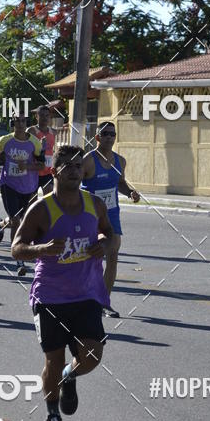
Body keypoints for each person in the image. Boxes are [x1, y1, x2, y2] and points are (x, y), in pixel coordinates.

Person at [12, 144, 114, 421]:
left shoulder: (94, 204)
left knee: (93, 355)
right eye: (67, 165)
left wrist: (104, 244)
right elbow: (16, 248)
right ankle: (52, 416)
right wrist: (40, 249)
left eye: (78, 165)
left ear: (84, 171)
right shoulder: (42, 208)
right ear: (54, 170)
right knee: (52, 362)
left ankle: (71, 375)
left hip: (86, 294)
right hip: (50, 296)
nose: (73, 170)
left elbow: (107, 232)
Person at [81, 121, 140, 317]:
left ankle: (104, 302)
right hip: (90, 214)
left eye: (112, 134)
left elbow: (120, 183)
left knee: (113, 255)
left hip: (111, 214)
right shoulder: (88, 160)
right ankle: (84, 296)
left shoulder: (120, 161)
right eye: (105, 134)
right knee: (92, 257)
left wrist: (130, 192)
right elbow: (74, 184)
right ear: (97, 137)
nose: (109, 137)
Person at [0, 115, 44, 276]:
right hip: (9, 185)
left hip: (29, 187)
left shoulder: (34, 142)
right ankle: (18, 258)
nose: (20, 124)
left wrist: (27, 166)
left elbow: (42, 165)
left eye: (23, 121)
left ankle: (1, 225)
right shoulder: (5, 140)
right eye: (17, 121)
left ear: (26, 123)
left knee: (18, 219)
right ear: (12, 123)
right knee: (16, 221)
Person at [27, 105, 56, 195]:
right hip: (34, 170)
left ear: (50, 117)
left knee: (49, 195)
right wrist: (38, 145)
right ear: (36, 116)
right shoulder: (31, 131)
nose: (45, 118)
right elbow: (26, 149)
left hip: (48, 171)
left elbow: (53, 150)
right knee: (32, 198)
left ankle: (46, 209)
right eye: (42, 115)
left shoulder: (53, 132)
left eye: (47, 115)